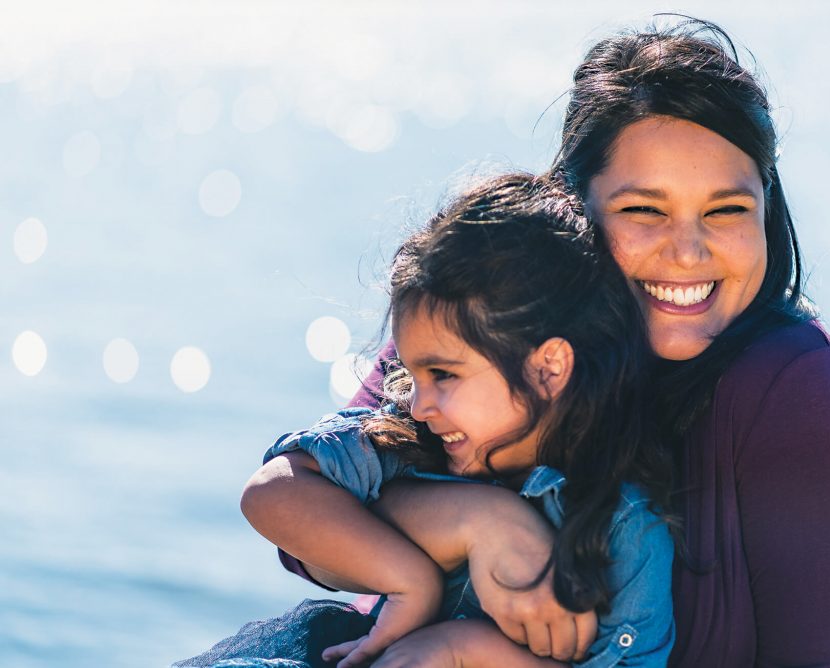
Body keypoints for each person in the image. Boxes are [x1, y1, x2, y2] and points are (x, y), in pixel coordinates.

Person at [220, 18, 830, 667]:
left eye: (727, 210)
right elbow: (302, 535)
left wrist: (471, 643)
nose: (688, 251)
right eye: (644, 209)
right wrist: (480, 522)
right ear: (573, 204)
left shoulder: (810, 402)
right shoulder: (487, 320)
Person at [182, 173, 676, 668]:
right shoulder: (412, 444)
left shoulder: (626, 527)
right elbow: (270, 493)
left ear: (548, 368)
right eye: (413, 376)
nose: (419, 405)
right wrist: (410, 581)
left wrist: (459, 650)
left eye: (443, 374)